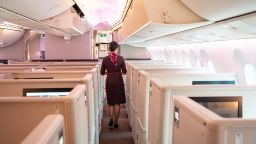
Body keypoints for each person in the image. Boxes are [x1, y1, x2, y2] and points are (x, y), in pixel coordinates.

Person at [100, 41, 127, 129]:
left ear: (109, 49)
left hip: (109, 80)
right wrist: (118, 72)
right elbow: (124, 71)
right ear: (116, 49)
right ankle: (116, 121)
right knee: (117, 103)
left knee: (111, 102)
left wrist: (109, 72)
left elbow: (102, 72)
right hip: (118, 80)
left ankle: (111, 119)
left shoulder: (105, 59)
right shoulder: (121, 58)